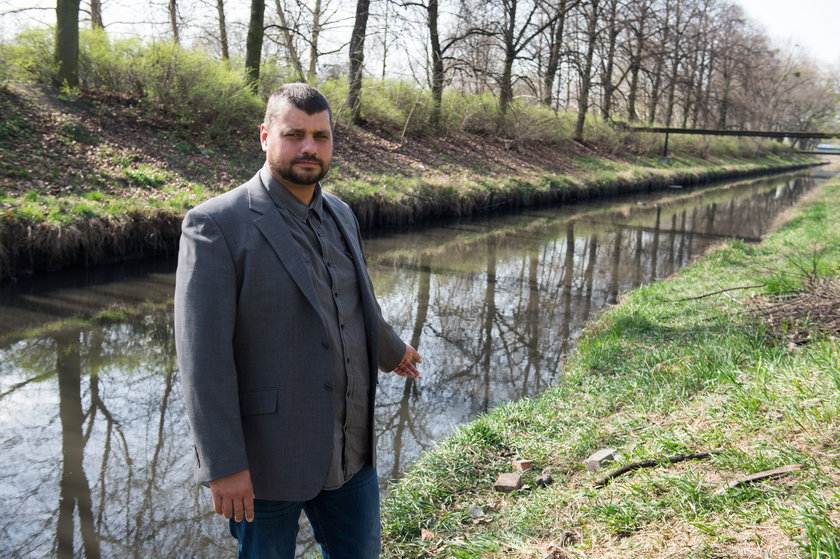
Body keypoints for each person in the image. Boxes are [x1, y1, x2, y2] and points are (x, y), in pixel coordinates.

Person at [174, 82, 422, 559]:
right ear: (265, 136)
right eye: (294, 134)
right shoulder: (215, 224)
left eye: (321, 136)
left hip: (352, 451)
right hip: (267, 463)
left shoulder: (342, 214)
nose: (309, 147)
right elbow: (202, 357)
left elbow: (354, 302)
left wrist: (392, 350)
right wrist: (223, 465)